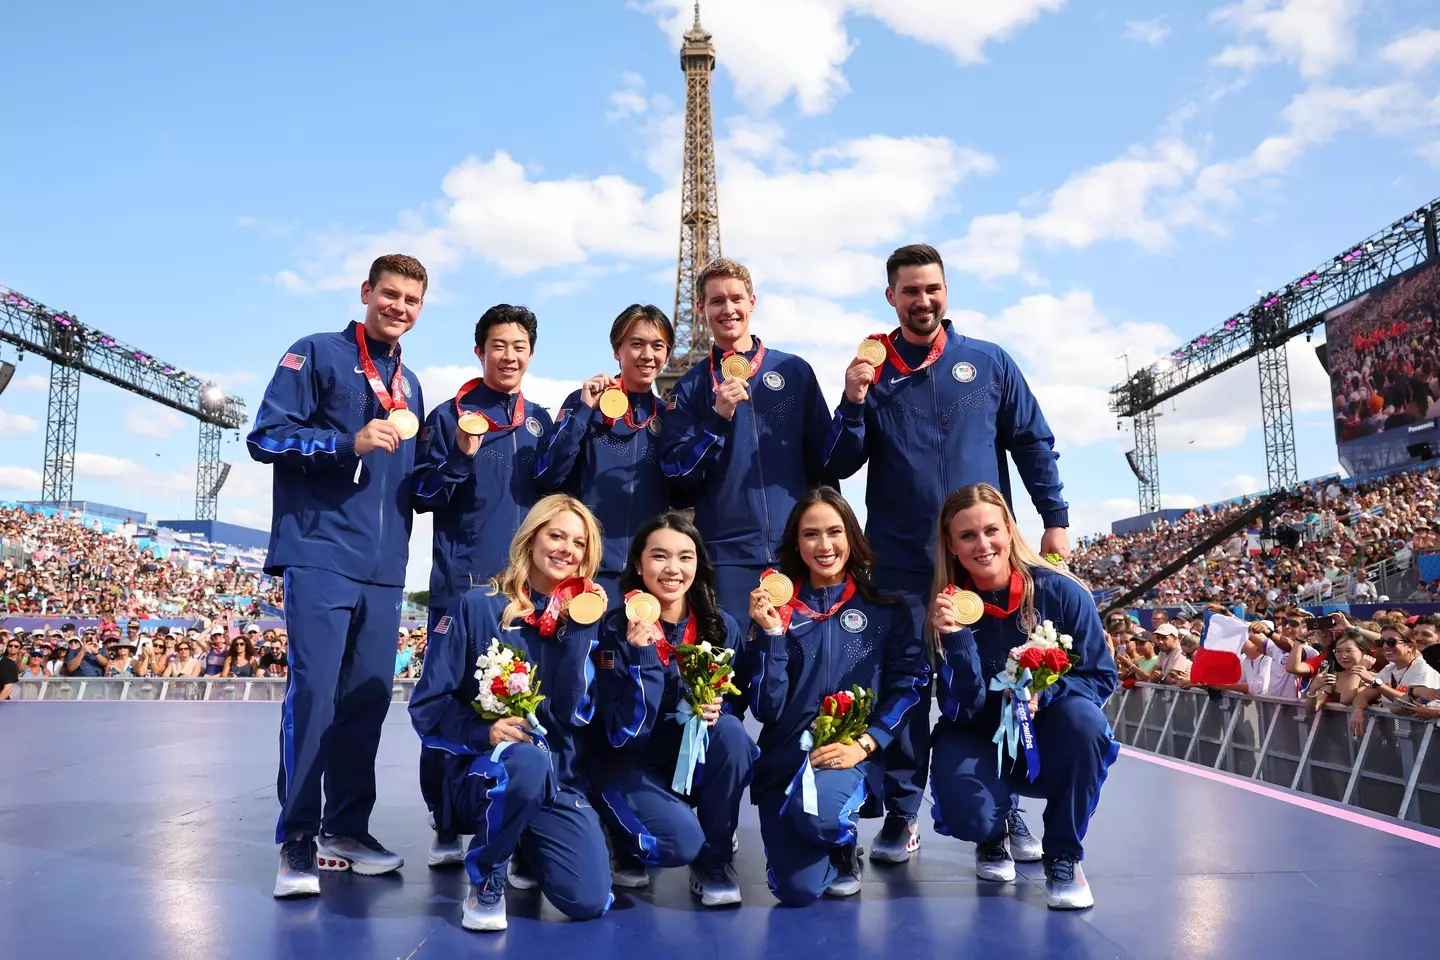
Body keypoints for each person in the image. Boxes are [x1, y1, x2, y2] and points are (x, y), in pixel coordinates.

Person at [823, 244, 1069, 862]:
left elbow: (1033, 442)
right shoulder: (871, 372)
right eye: (910, 291)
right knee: (905, 685)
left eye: (932, 288)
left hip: (980, 561)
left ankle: (1004, 813)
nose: (922, 300)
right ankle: (902, 814)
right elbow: (838, 463)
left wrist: (1055, 519)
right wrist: (852, 402)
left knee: (996, 681)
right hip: (901, 558)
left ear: (946, 291)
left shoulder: (987, 363)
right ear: (891, 297)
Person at [247, 253, 430, 898]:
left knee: (367, 702)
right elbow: (266, 437)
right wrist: (344, 443)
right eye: (390, 294)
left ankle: (345, 830)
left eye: (411, 299)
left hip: (385, 569)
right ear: (366, 292)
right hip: (320, 552)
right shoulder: (315, 353)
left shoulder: (412, 387)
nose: (399, 307)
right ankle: (297, 838)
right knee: (315, 696)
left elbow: (414, 484)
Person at [408, 494, 613, 933]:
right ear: (532, 538)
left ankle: (527, 841)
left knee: (589, 900)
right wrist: (484, 733)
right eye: (556, 535)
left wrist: (579, 637)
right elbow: (427, 708)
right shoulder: (478, 606)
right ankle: (486, 875)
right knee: (525, 760)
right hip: (480, 773)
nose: (566, 549)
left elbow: (577, 716)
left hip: (555, 780)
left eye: (578, 543)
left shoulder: (585, 619)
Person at [926, 483, 1117, 910]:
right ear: (951, 546)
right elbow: (965, 706)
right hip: (977, 732)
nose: (983, 544)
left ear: (1010, 531)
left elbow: (1101, 677)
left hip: (1045, 732)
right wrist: (955, 642)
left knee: (1087, 725)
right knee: (969, 815)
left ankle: (1064, 853)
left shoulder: (1061, 592)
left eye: (991, 530)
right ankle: (994, 829)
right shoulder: (945, 608)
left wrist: (1042, 696)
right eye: (968, 536)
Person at [746, 487, 927, 907]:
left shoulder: (884, 608)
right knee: (798, 891)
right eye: (811, 534)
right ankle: (823, 843)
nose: (824, 545)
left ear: (852, 537)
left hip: (848, 755)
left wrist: (867, 743)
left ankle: (841, 843)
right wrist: (771, 636)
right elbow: (766, 707)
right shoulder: (775, 610)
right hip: (786, 760)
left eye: (834, 532)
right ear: (796, 542)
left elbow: (910, 684)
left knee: (824, 819)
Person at [659, 257, 834, 621]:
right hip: (727, 558)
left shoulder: (795, 371)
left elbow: (826, 464)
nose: (728, 309)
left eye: (736, 298)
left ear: (752, 301)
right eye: (717, 301)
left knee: (799, 670)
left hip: (797, 552)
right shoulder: (690, 387)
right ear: (701, 309)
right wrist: (716, 419)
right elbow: (677, 480)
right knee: (730, 671)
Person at [592, 512, 754, 906]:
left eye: (685, 557)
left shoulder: (720, 627)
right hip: (630, 762)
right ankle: (621, 833)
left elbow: (740, 699)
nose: (673, 569)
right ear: (638, 564)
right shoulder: (613, 630)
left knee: (732, 734)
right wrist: (644, 658)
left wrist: (720, 708)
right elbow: (618, 735)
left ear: (698, 564)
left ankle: (714, 860)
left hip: (689, 761)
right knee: (680, 844)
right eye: (659, 556)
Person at [414, 304, 553, 632]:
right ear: (480, 351)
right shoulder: (448, 417)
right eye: (499, 346)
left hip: (529, 589)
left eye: (519, 347)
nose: (509, 356)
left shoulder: (541, 421)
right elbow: (421, 495)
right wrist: (459, 457)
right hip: (465, 588)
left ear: (531, 354)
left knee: (526, 684)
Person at [535, 305, 677, 600]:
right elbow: (549, 474)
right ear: (617, 350)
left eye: (657, 345)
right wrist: (584, 411)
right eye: (636, 344)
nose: (647, 355)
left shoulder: (669, 416)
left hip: (647, 571)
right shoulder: (584, 402)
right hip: (589, 565)